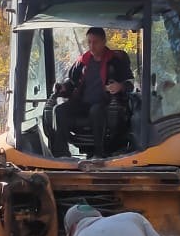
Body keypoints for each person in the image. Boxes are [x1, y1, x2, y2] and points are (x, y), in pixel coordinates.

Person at [47, 27, 135, 158]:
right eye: (89, 42)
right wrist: (63, 88)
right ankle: (61, 153)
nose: (92, 46)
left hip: (106, 104)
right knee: (59, 110)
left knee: (96, 110)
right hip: (82, 103)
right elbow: (71, 82)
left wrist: (120, 86)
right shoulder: (82, 62)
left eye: (95, 42)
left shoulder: (116, 60)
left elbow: (130, 84)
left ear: (104, 41)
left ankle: (99, 154)